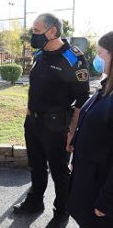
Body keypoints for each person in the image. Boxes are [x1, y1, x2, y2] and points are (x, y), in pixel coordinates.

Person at [13, 13, 90, 227]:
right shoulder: (39, 54)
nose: (32, 35)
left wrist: (72, 131)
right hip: (33, 122)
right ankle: (35, 201)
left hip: (58, 126)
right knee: (36, 166)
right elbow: (36, 87)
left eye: (36, 31)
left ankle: (62, 211)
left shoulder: (73, 57)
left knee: (59, 172)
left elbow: (83, 97)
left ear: (52, 31)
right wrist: (29, 115)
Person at [68, 31, 113, 228]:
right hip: (89, 181)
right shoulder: (106, 86)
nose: (97, 58)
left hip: (101, 195)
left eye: (100, 53)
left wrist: (107, 201)